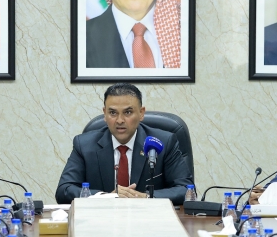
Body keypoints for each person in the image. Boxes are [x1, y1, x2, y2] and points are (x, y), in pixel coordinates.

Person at [55, 83, 191, 204]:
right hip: (102, 220)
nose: (120, 120)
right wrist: (106, 197)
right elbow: (64, 190)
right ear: (104, 114)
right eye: (113, 113)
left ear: (141, 113)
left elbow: (186, 190)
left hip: (149, 219)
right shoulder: (84, 145)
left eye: (128, 112)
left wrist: (147, 197)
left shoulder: (164, 142)